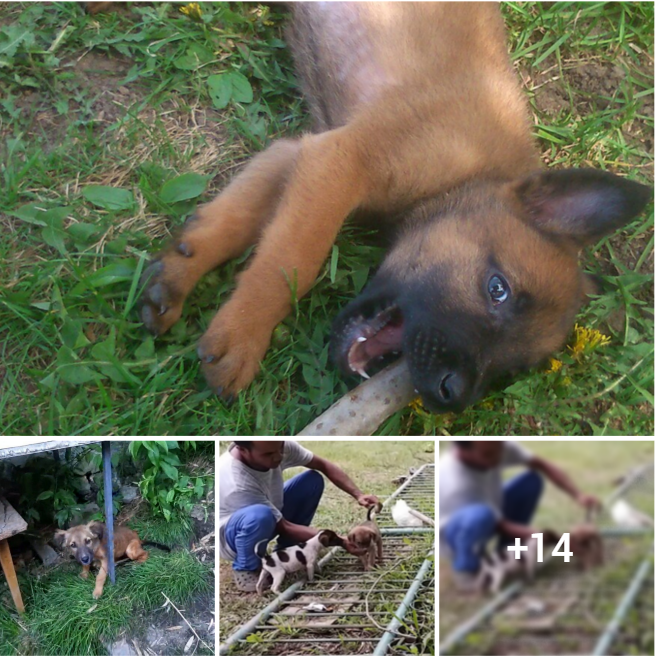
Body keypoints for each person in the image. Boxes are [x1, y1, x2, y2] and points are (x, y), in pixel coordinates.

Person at [219, 440, 380, 591]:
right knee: (260, 516)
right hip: (233, 534)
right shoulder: (237, 482)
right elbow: (284, 527)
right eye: (268, 454)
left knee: (311, 481)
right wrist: (340, 541)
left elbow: (322, 464)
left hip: (266, 510)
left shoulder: (273, 445)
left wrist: (358, 494)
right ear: (242, 450)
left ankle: (288, 548)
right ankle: (245, 568)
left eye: (280, 449)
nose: (278, 456)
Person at [439, 441, 600, 591]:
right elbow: (500, 525)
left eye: (499, 450)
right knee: (481, 516)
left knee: (531, 481)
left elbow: (541, 464)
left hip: (489, 510)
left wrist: (578, 495)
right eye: (488, 455)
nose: (498, 458)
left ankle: (509, 550)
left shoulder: (492, 445)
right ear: (463, 452)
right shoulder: (455, 483)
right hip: (457, 531)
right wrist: (557, 540)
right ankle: (467, 569)